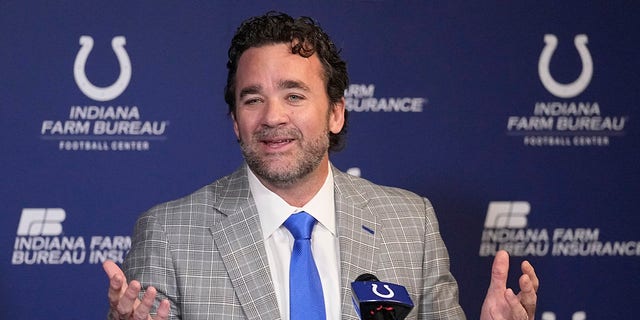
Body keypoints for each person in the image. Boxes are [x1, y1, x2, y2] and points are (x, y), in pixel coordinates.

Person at [103, 12, 538, 320]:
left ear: (336, 113)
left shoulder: (411, 223)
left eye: (294, 95)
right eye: (253, 99)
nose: (272, 117)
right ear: (235, 121)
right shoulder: (169, 234)